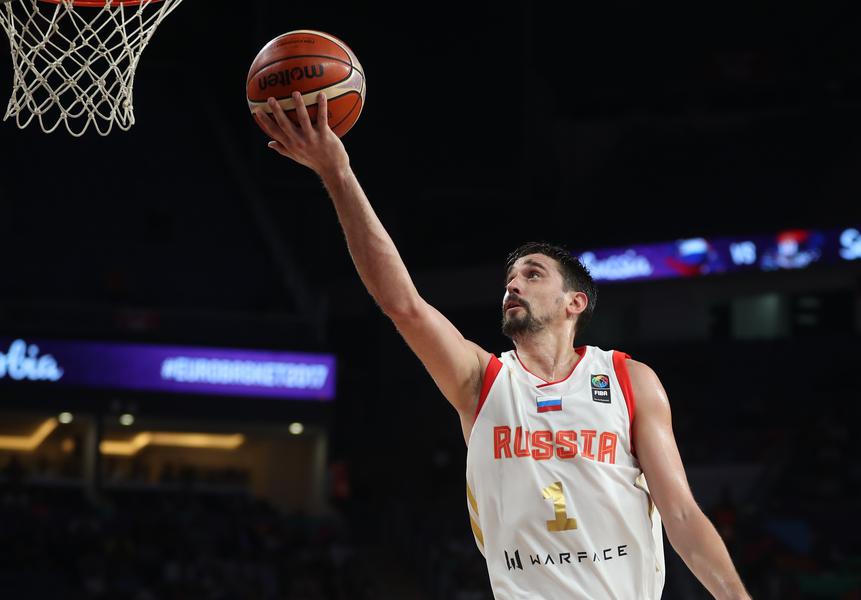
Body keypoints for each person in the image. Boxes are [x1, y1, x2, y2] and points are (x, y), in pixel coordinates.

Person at [255, 92, 752, 600]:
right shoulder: (482, 381)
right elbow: (402, 303)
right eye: (509, 278)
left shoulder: (629, 380)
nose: (512, 285)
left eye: (531, 275)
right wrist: (338, 174)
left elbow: (682, 513)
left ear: (574, 302)